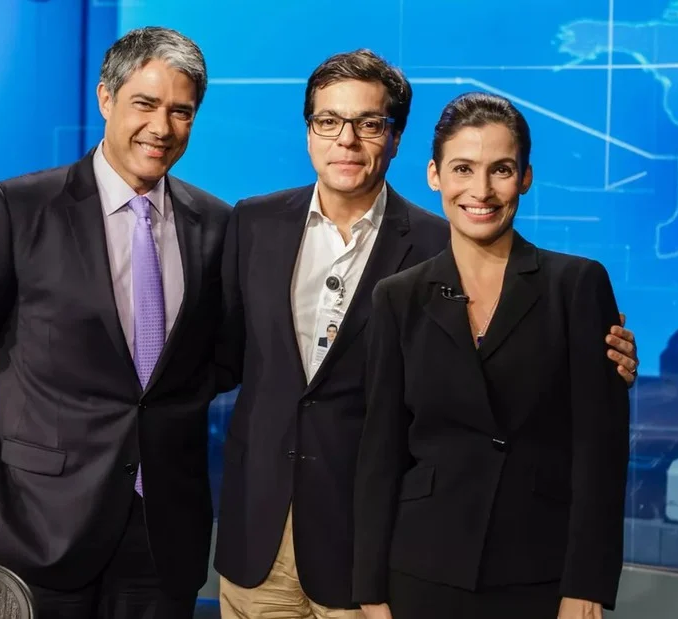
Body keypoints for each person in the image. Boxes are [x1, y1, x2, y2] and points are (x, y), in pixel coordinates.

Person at [213, 50, 640, 619]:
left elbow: (537, 391)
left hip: (374, 543)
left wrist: (609, 361)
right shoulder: (252, 222)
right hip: (259, 535)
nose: (347, 140)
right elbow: (218, 356)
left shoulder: (452, 241)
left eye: (369, 124)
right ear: (309, 128)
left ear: (395, 138)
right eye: (329, 122)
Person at [0, 27, 230, 619]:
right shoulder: (18, 208)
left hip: (165, 533)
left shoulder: (215, 224)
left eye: (180, 111)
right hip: (39, 525)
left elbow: (222, 355)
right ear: (106, 99)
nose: (161, 128)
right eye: (145, 103)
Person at [352, 92, 632, 619]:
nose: (481, 191)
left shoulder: (576, 285)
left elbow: (601, 454)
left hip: (540, 573)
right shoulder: (399, 296)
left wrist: (587, 585)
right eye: (463, 168)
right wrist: (371, 594)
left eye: (501, 170)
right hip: (420, 569)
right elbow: (380, 456)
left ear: (525, 177)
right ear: (434, 175)